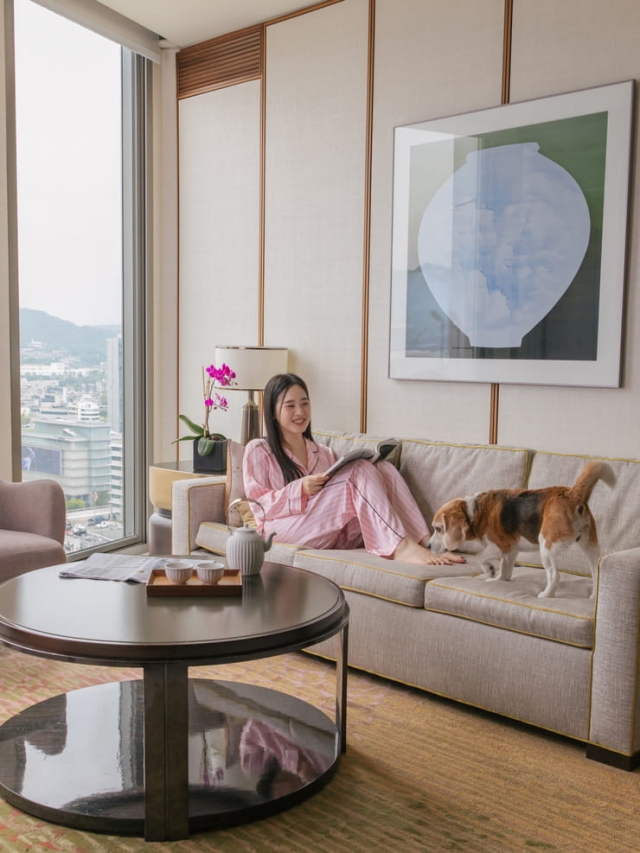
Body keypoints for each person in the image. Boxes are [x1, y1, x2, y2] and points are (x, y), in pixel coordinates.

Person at [242, 373, 465, 566]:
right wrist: (299, 489)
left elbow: (339, 502)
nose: (300, 412)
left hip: (327, 532)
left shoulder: (323, 452)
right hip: (279, 531)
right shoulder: (259, 450)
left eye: (305, 403)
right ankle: (402, 547)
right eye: (290, 405)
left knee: (383, 468)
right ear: (272, 412)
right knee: (358, 470)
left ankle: (422, 542)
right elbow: (259, 508)